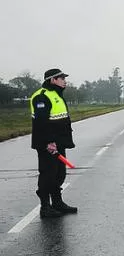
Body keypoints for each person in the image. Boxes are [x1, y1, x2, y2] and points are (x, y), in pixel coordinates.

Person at [30, 68, 78, 218]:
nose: (65, 80)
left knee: (59, 174)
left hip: (59, 143)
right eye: (61, 78)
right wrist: (49, 142)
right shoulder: (41, 96)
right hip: (48, 145)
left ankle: (57, 202)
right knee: (48, 174)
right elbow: (42, 122)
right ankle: (45, 207)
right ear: (52, 80)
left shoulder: (56, 94)